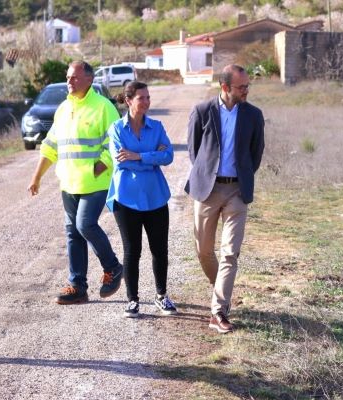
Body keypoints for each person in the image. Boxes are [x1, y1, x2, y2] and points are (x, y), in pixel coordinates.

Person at [28, 60, 123, 305]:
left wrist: (98, 167)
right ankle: (77, 286)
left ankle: (112, 267)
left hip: (95, 182)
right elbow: (50, 146)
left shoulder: (103, 107)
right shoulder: (63, 109)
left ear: (89, 80)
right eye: (68, 77)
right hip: (68, 183)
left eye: (75, 78)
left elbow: (113, 143)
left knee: (85, 225)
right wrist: (37, 177)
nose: (69, 81)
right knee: (73, 232)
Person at [186, 64, 265, 333]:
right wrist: (209, 175)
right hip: (207, 190)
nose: (246, 90)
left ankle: (218, 311)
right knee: (204, 252)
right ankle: (222, 287)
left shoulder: (254, 115)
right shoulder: (202, 111)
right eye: (241, 87)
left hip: (237, 192)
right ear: (225, 87)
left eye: (247, 86)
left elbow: (256, 154)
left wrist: (240, 178)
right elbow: (194, 152)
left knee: (230, 253)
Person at [106, 81, 177, 318]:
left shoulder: (157, 127)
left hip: (156, 197)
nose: (146, 102)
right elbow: (119, 161)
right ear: (128, 101)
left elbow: (168, 156)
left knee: (160, 250)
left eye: (148, 97)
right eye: (141, 98)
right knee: (131, 250)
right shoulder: (116, 128)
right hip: (126, 198)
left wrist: (138, 155)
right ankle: (132, 300)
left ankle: (161, 296)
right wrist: (151, 157)